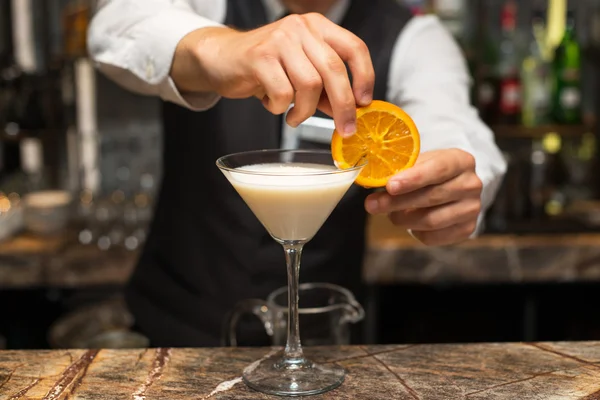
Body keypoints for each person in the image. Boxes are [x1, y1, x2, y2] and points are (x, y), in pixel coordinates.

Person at [88, 0, 507, 347]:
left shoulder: (412, 36)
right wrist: (222, 48)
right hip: (177, 333)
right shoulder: (210, 5)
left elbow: (453, 127)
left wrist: (456, 184)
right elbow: (114, 24)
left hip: (325, 344)